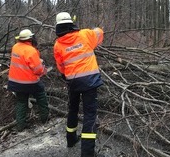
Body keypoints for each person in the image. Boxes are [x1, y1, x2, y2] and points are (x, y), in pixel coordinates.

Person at [53, 12, 104, 157]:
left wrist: (67, 76)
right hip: (89, 81)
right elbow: (99, 33)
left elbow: (61, 66)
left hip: (72, 81)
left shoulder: (58, 45)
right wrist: (95, 29)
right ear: (71, 24)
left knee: (73, 109)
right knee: (89, 116)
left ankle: (70, 139)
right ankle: (87, 152)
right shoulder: (85, 34)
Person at [8, 29, 49, 131]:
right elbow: (38, 69)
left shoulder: (15, 47)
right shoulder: (31, 50)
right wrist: (43, 70)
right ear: (30, 38)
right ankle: (45, 118)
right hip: (29, 82)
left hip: (15, 81)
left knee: (21, 102)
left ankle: (20, 126)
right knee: (41, 96)